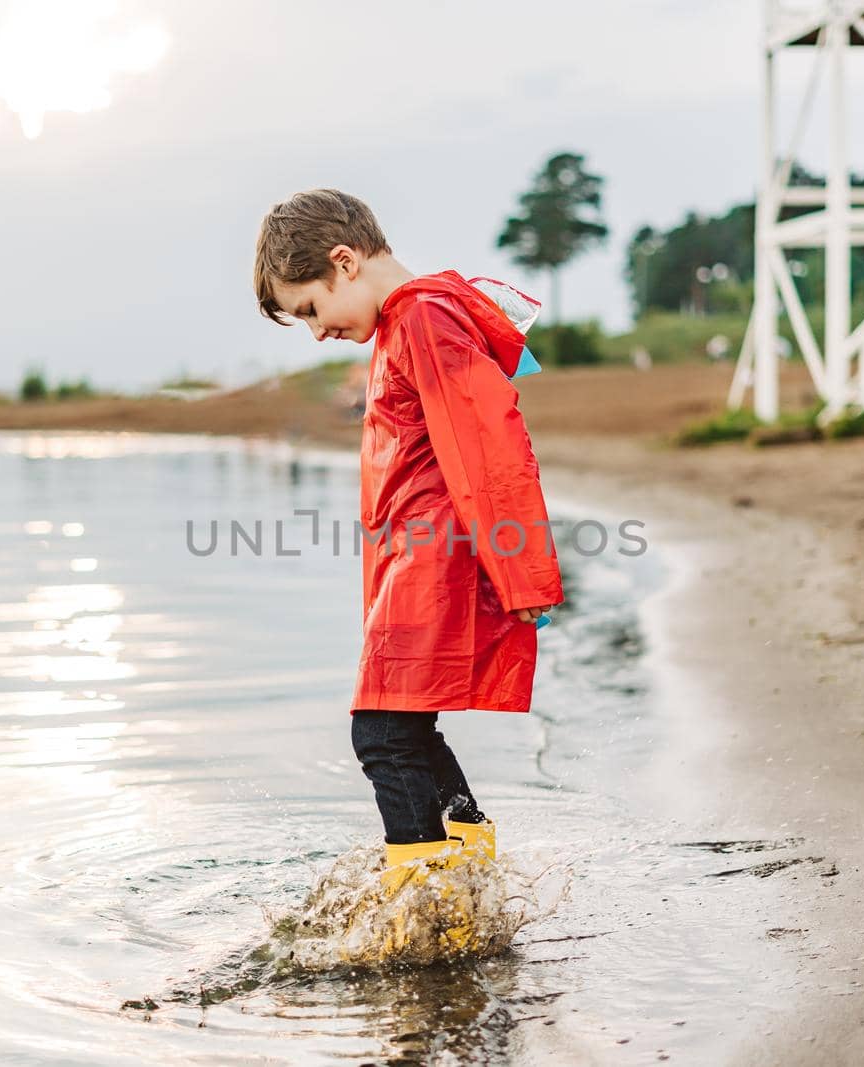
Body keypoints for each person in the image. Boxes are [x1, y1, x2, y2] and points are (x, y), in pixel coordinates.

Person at [252, 189, 563, 900]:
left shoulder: (423, 316)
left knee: (384, 733)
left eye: (308, 309)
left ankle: (427, 908)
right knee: (404, 728)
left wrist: (525, 576)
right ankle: (467, 871)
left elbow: (489, 445)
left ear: (344, 261)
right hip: (413, 561)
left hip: (438, 561)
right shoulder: (405, 321)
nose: (315, 330)